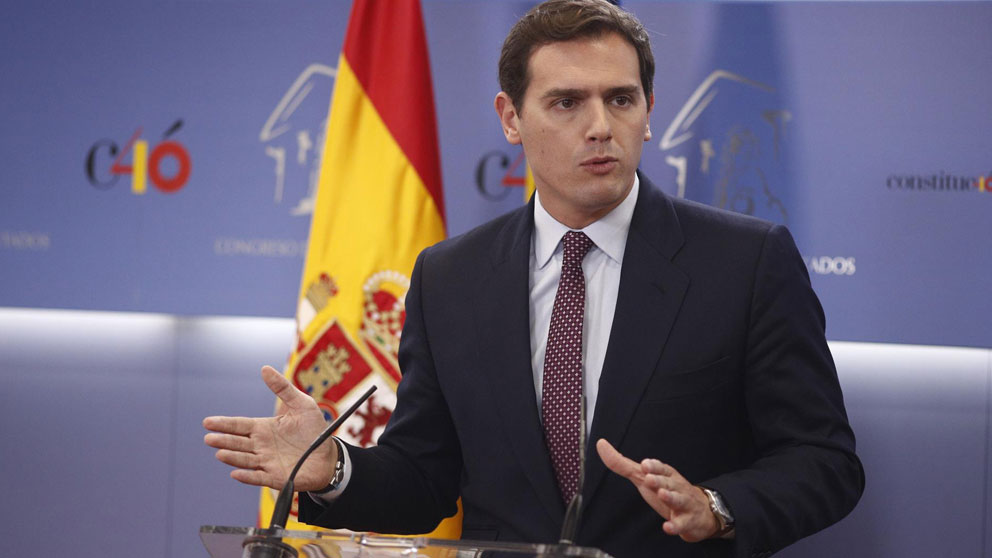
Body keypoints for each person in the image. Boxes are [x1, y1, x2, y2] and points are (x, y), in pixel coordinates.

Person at [204, 1, 864, 556]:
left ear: (650, 110)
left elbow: (824, 462)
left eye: (621, 99)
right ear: (511, 119)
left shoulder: (745, 262)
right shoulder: (450, 276)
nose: (601, 126)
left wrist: (716, 506)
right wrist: (335, 470)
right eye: (567, 102)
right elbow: (428, 477)